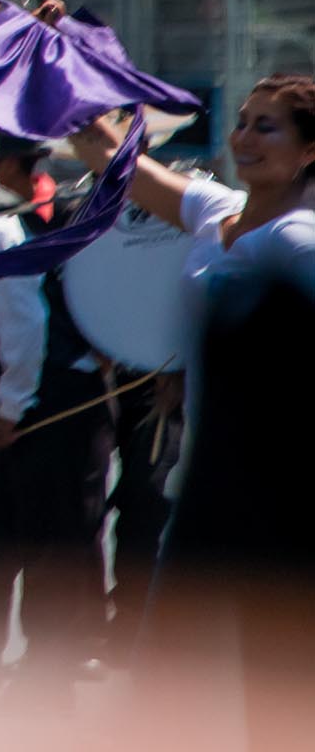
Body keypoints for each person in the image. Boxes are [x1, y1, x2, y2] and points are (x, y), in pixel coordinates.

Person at [58, 74, 315, 656]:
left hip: (273, 505)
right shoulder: (215, 211)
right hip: (202, 491)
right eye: (242, 121)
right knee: (176, 688)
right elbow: (106, 154)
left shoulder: (302, 244)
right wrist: (51, 55)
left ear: (309, 151)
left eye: (266, 127)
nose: (243, 137)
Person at [0, 126, 110, 697]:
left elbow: (24, 325)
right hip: (32, 396)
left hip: (54, 400)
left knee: (49, 543)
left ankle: (47, 679)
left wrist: (7, 411)